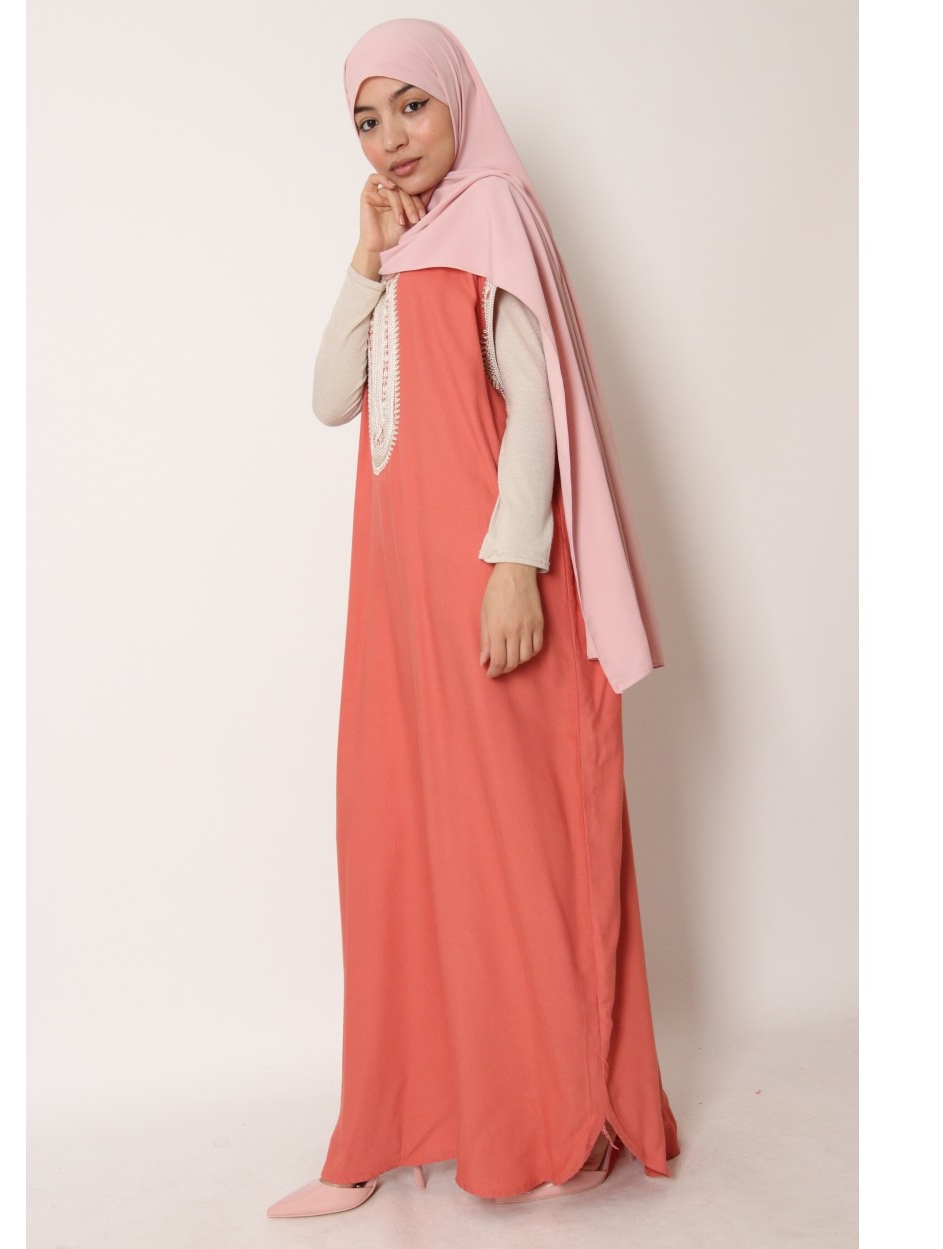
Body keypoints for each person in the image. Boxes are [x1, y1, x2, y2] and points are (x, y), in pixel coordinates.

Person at [266, 17, 680, 1218]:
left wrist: (511, 566)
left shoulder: (494, 218)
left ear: (458, 103)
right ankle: (398, 1120)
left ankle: (561, 1117)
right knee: (401, 843)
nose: (391, 138)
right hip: (398, 613)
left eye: (413, 107)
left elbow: (534, 407)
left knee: (512, 855)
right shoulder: (403, 248)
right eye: (367, 119)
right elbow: (330, 398)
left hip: (491, 595)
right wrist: (364, 257)